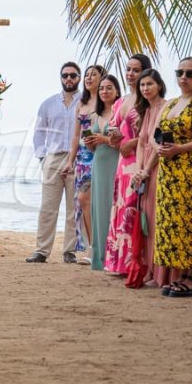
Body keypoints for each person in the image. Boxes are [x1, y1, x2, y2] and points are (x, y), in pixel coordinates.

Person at [153, 57, 192, 296]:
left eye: (190, 73)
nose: (184, 77)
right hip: (168, 171)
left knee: (188, 222)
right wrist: (159, 147)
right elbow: (156, 132)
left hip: (189, 169)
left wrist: (180, 149)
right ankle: (181, 274)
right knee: (171, 223)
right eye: (180, 73)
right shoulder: (171, 103)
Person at [26, 62, 80, 263]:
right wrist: (43, 158)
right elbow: (39, 132)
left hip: (77, 158)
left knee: (74, 207)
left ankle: (70, 251)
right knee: (48, 207)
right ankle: (42, 250)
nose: (69, 79)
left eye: (73, 75)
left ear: (79, 78)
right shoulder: (48, 104)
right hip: (53, 158)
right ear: (60, 78)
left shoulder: (87, 102)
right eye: (65, 75)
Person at [132, 69, 180, 287]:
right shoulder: (147, 110)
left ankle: (160, 275)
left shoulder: (167, 107)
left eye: (149, 84)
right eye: (142, 85)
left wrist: (147, 169)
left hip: (161, 169)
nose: (145, 88)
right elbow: (142, 143)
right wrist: (138, 169)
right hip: (146, 171)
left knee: (158, 220)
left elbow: (159, 145)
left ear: (159, 85)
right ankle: (150, 270)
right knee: (147, 222)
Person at [104, 54, 148, 274]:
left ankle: (133, 263)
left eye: (136, 70)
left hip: (138, 160)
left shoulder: (146, 101)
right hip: (122, 161)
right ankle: (119, 263)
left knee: (133, 208)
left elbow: (149, 134)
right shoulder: (120, 102)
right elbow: (114, 132)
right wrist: (114, 139)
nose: (130, 74)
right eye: (128, 69)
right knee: (120, 208)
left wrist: (133, 141)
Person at [62, 64, 105, 263]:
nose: (88, 78)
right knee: (82, 201)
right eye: (86, 75)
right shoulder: (82, 103)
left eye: (93, 75)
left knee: (97, 201)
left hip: (101, 154)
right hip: (83, 158)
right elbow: (76, 135)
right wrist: (70, 161)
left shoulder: (107, 101)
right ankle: (91, 246)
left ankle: (100, 247)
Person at [85, 75, 121, 271]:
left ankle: (114, 255)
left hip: (116, 161)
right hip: (98, 161)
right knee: (98, 207)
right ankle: (100, 257)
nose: (105, 91)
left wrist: (103, 139)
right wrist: (90, 143)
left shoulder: (120, 112)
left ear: (117, 90)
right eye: (102, 89)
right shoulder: (95, 116)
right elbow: (93, 147)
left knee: (113, 204)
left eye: (109, 88)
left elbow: (121, 142)